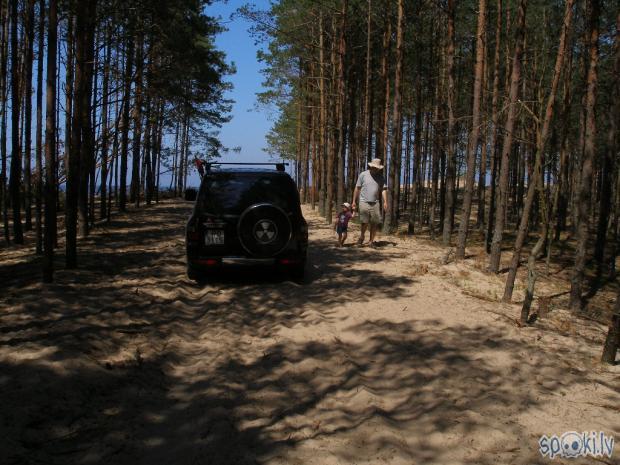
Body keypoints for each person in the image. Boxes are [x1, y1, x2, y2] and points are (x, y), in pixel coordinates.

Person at [351, 158, 388, 247]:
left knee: (374, 222)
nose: (375, 169)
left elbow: (383, 189)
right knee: (364, 222)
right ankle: (362, 237)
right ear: (371, 166)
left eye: (377, 168)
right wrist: (353, 201)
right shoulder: (363, 175)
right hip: (363, 201)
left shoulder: (380, 177)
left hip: (375, 203)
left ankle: (371, 241)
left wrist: (385, 201)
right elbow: (357, 188)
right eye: (374, 167)